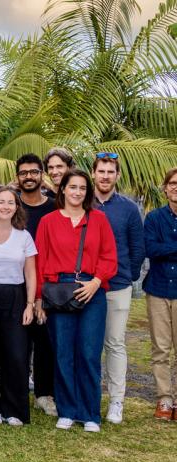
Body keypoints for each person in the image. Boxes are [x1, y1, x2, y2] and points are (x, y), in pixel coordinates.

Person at [35, 169, 117, 433]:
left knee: (89, 353)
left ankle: (90, 412)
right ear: (63, 190)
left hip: (92, 291)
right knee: (63, 354)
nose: (77, 192)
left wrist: (96, 282)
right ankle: (68, 410)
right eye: (72, 187)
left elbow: (109, 256)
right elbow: (40, 262)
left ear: (87, 192)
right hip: (59, 292)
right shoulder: (48, 221)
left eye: (82, 188)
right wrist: (39, 300)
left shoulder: (99, 220)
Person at [92, 153, 145, 424]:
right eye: (101, 171)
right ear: (93, 173)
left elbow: (137, 248)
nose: (105, 176)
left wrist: (127, 275)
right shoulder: (82, 202)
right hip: (86, 287)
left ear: (117, 176)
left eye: (110, 172)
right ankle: (86, 398)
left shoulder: (128, 208)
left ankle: (116, 401)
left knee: (114, 343)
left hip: (117, 285)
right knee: (88, 345)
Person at [0, 187, 37, 426]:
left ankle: (15, 409)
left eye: (10, 203)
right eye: (0, 202)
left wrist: (30, 304)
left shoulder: (23, 236)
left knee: (16, 354)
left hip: (16, 297)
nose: (5, 206)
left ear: (16, 207)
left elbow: (31, 273)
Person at [16, 154, 58, 416]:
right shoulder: (9, 206)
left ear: (42, 174)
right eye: (23, 173)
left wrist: (42, 292)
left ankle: (44, 394)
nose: (29, 177)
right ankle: (17, 389)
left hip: (46, 284)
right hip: (13, 283)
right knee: (18, 341)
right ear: (17, 176)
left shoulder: (54, 208)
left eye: (34, 172)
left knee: (45, 342)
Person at [143, 167, 177, 420]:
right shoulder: (154, 218)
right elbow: (151, 249)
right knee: (160, 348)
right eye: (172, 183)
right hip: (158, 290)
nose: (176, 187)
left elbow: (160, 248)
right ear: (165, 188)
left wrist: (167, 248)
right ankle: (164, 400)